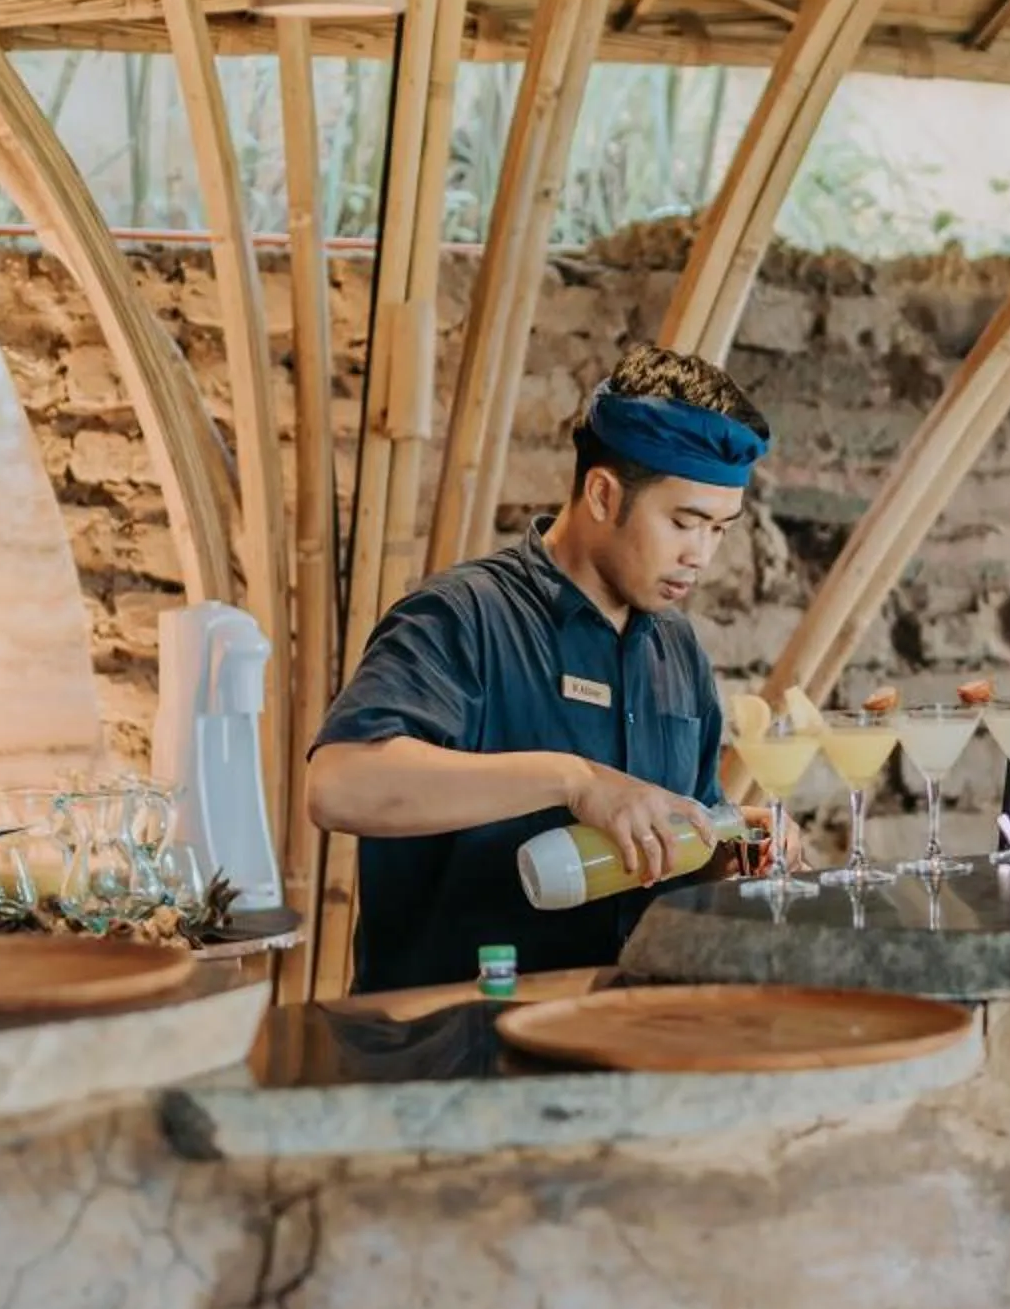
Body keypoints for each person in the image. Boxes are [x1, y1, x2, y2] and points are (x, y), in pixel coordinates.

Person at [308, 342, 769, 993]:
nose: (701, 555)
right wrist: (573, 781)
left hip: (623, 1044)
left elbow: (672, 851)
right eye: (685, 523)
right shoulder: (463, 616)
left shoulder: (677, 650)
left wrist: (727, 851)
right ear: (604, 495)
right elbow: (338, 786)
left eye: (720, 530)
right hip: (451, 1053)